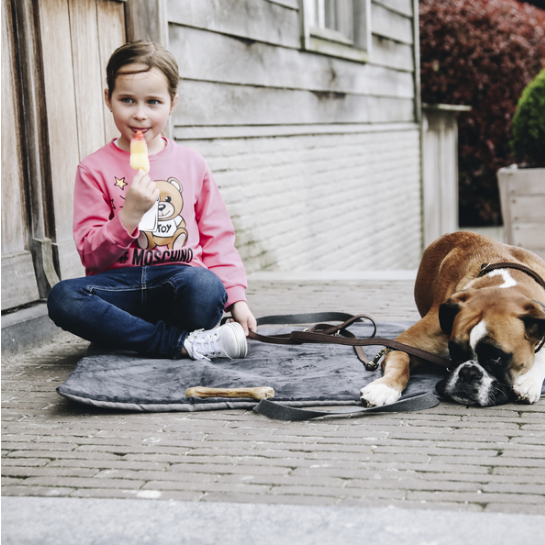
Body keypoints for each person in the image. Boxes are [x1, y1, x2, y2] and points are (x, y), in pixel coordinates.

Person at [48, 41, 256, 361]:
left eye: (153, 102)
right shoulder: (93, 169)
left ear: (172, 103)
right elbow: (91, 256)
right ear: (109, 99)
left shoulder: (192, 163)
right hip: (121, 288)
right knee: (64, 298)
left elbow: (219, 239)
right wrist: (128, 216)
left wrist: (238, 301)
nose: (140, 114)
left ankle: (138, 338)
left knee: (207, 287)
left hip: (179, 284)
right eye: (127, 100)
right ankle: (182, 344)